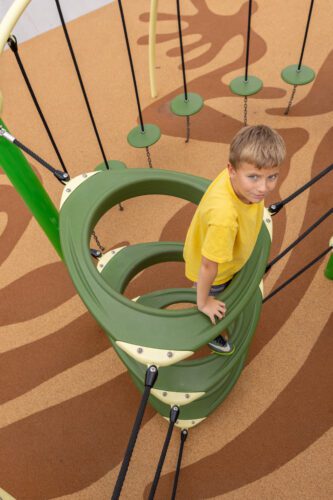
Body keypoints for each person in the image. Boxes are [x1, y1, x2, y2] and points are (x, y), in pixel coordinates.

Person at [183, 125, 286, 354]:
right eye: (254, 177)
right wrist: (203, 301)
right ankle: (211, 330)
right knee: (215, 301)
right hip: (217, 272)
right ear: (231, 169)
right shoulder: (224, 218)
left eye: (272, 177)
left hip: (229, 250)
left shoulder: (240, 180)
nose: (263, 188)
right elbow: (209, 265)